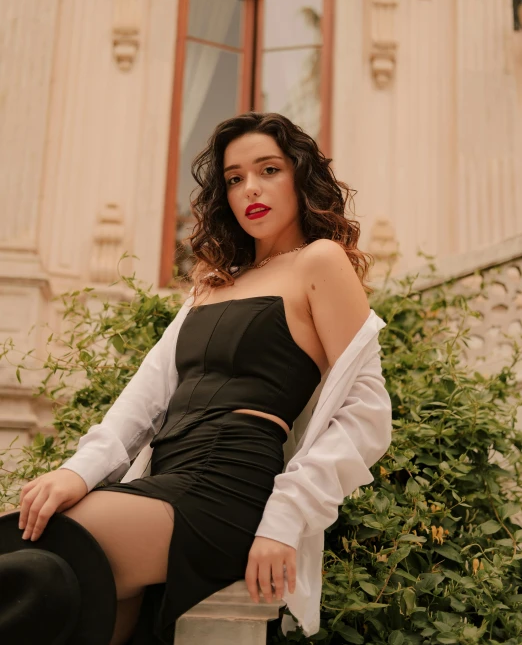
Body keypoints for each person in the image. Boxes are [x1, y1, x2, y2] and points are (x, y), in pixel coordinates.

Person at [0, 112, 392, 645]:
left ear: (301, 177)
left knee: (37, 547)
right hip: (166, 475)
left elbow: (367, 416)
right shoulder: (210, 284)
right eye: (234, 179)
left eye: (269, 170)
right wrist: (78, 471)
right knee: (67, 593)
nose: (250, 188)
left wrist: (285, 518)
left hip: (228, 486)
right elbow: (143, 399)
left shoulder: (319, 263)